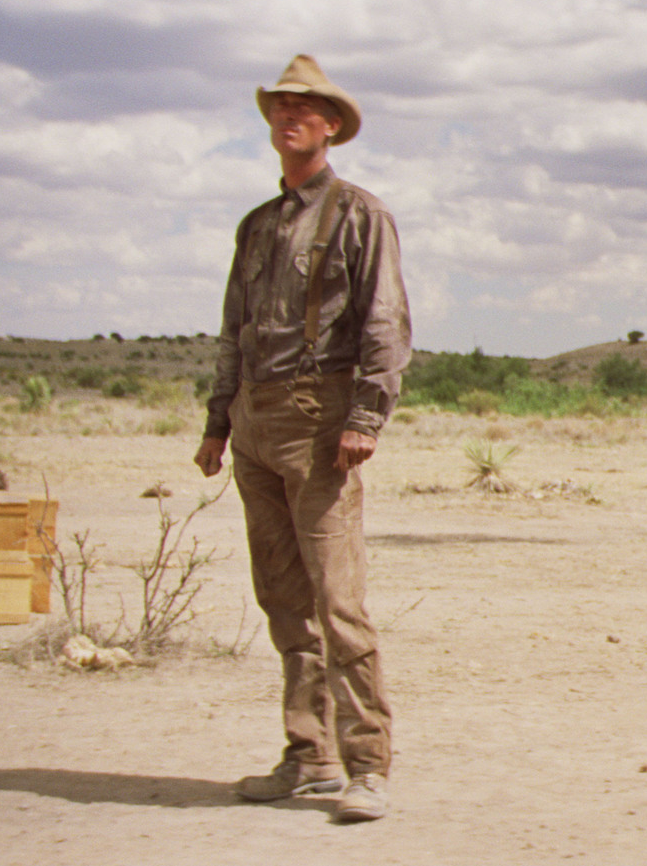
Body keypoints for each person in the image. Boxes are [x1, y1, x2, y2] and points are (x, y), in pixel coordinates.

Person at [194, 54, 411, 822]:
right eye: (280, 106)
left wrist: (365, 417)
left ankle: (368, 763)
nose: (289, 116)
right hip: (254, 423)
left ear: (331, 125)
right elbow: (235, 328)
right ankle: (309, 754)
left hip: (320, 421)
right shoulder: (257, 225)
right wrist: (219, 422)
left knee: (338, 602)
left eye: (305, 106)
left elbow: (386, 322)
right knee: (284, 599)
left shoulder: (359, 213)